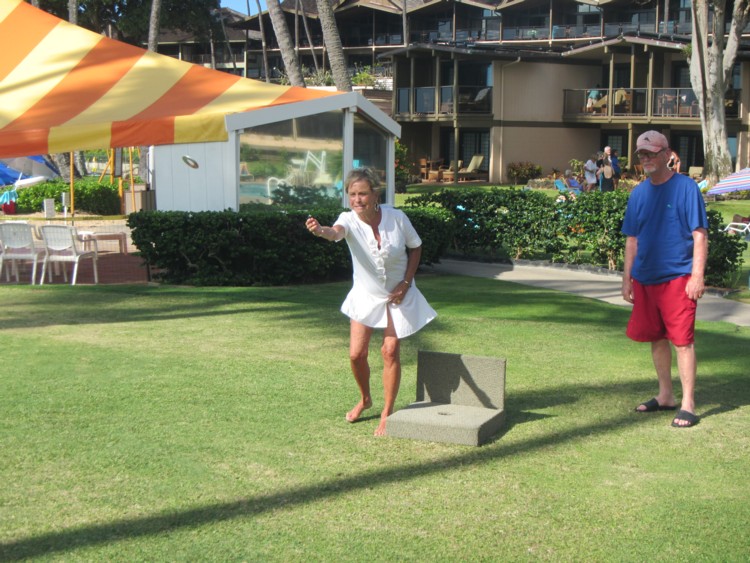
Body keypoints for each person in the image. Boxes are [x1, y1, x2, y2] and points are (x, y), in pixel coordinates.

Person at [305, 168, 437, 436]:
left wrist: (406, 283)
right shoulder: (347, 219)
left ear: (376, 194)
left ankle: (387, 412)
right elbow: (335, 232)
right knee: (356, 355)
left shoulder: (397, 218)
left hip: (399, 293)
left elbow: (416, 247)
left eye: (363, 194)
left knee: (390, 350)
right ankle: (365, 399)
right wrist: (320, 231)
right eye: (352, 194)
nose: (357, 200)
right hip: (365, 294)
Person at [621, 131, 708, 428]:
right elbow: (632, 239)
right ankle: (666, 395)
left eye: (651, 153)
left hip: (678, 278)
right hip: (645, 278)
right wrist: (627, 278)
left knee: (682, 341)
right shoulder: (638, 193)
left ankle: (688, 404)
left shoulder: (686, 188)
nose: (646, 159)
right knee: (656, 338)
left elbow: (699, 235)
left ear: (667, 154)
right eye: (642, 154)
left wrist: (697, 276)